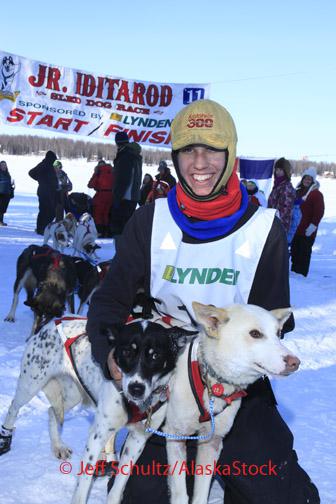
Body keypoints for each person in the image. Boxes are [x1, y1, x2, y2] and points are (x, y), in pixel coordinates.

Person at [87, 99, 319, 504]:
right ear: (175, 155)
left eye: (212, 149)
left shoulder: (264, 231)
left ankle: (229, 465)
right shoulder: (151, 220)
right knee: (141, 497)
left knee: (276, 492)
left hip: (236, 385)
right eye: (188, 149)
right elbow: (108, 302)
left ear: (229, 155)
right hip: (165, 373)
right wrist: (109, 355)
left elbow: (273, 327)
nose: (199, 162)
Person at [291, 167, 324, 277]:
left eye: (310, 179)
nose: (307, 181)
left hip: (307, 231)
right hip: (296, 229)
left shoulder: (316, 194)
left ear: (313, 180)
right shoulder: (298, 192)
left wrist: (313, 226)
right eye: (306, 178)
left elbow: (319, 211)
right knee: (295, 252)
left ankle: (301, 275)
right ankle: (294, 272)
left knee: (303, 254)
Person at [109, 131, 142, 236]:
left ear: (117, 143)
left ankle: (122, 251)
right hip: (132, 197)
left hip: (125, 198)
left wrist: (117, 198)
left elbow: (123, 179)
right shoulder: (133, 155)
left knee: (120, 228)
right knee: (127, 228)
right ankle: (126, 250)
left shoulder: (125, 156)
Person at [28, 150, 58, 234]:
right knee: (44, 211)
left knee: (51, 212)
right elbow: (31, 173)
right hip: (44, 191)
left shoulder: (52, 165)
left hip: (51, 192)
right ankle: (40, 229)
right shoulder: (43, 164)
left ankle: (44, 228)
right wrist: (40, 180)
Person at [268, 157, 296, 235]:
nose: (278, 172)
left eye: (280, 170)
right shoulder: (278, 185)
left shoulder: (286, 186)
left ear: (285, 171)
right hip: (272, 222)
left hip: (280, 225)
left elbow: (285, 210)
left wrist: (277, 225)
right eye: (276, 169)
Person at [88, 159, 114, 237]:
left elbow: (90, 185)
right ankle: (107, 232)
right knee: (106, 214)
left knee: (97, 214)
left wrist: (95, 174)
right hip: (111, 195)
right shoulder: (112, 171)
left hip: (100, 195)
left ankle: (99, 232)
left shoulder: (98, 171)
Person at [0, 160, 15, 226]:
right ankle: (0, 221)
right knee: (0, 208)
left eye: (5, 165)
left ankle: (1, 221)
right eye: (2, 165)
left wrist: (12, 187)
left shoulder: (7, 173)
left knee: (3, 209)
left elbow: (9, 182)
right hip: (1, 193)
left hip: (7, 193)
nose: (4, 166)